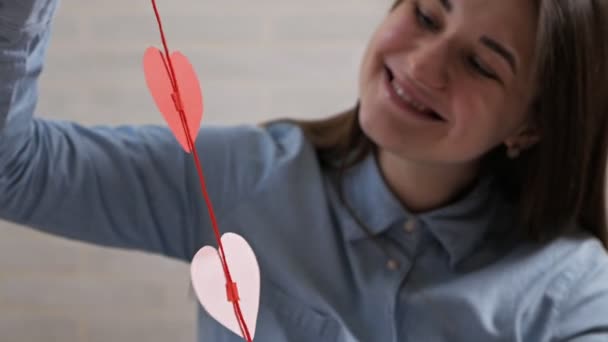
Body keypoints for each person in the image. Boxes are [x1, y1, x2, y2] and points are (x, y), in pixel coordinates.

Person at [1, 0, 607, 341]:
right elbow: (13, 169)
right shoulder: (240, 178)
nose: (424, 64)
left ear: (532, 126)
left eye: (479, 62)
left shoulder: (573, 292)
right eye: (426, 15)